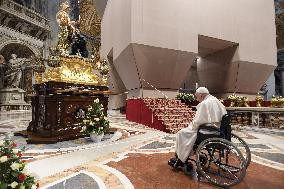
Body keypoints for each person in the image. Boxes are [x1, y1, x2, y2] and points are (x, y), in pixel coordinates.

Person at [169, 87, 227, 168]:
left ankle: (181, 159)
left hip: (207, 131)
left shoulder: (205, 103)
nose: (197, 99)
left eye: (197, 97)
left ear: (201, 95)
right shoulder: (215, 100)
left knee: (181, 133)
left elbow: (198, 122)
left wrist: (191, 126)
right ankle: (183, 156)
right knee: (185, 132)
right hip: (218, 130)